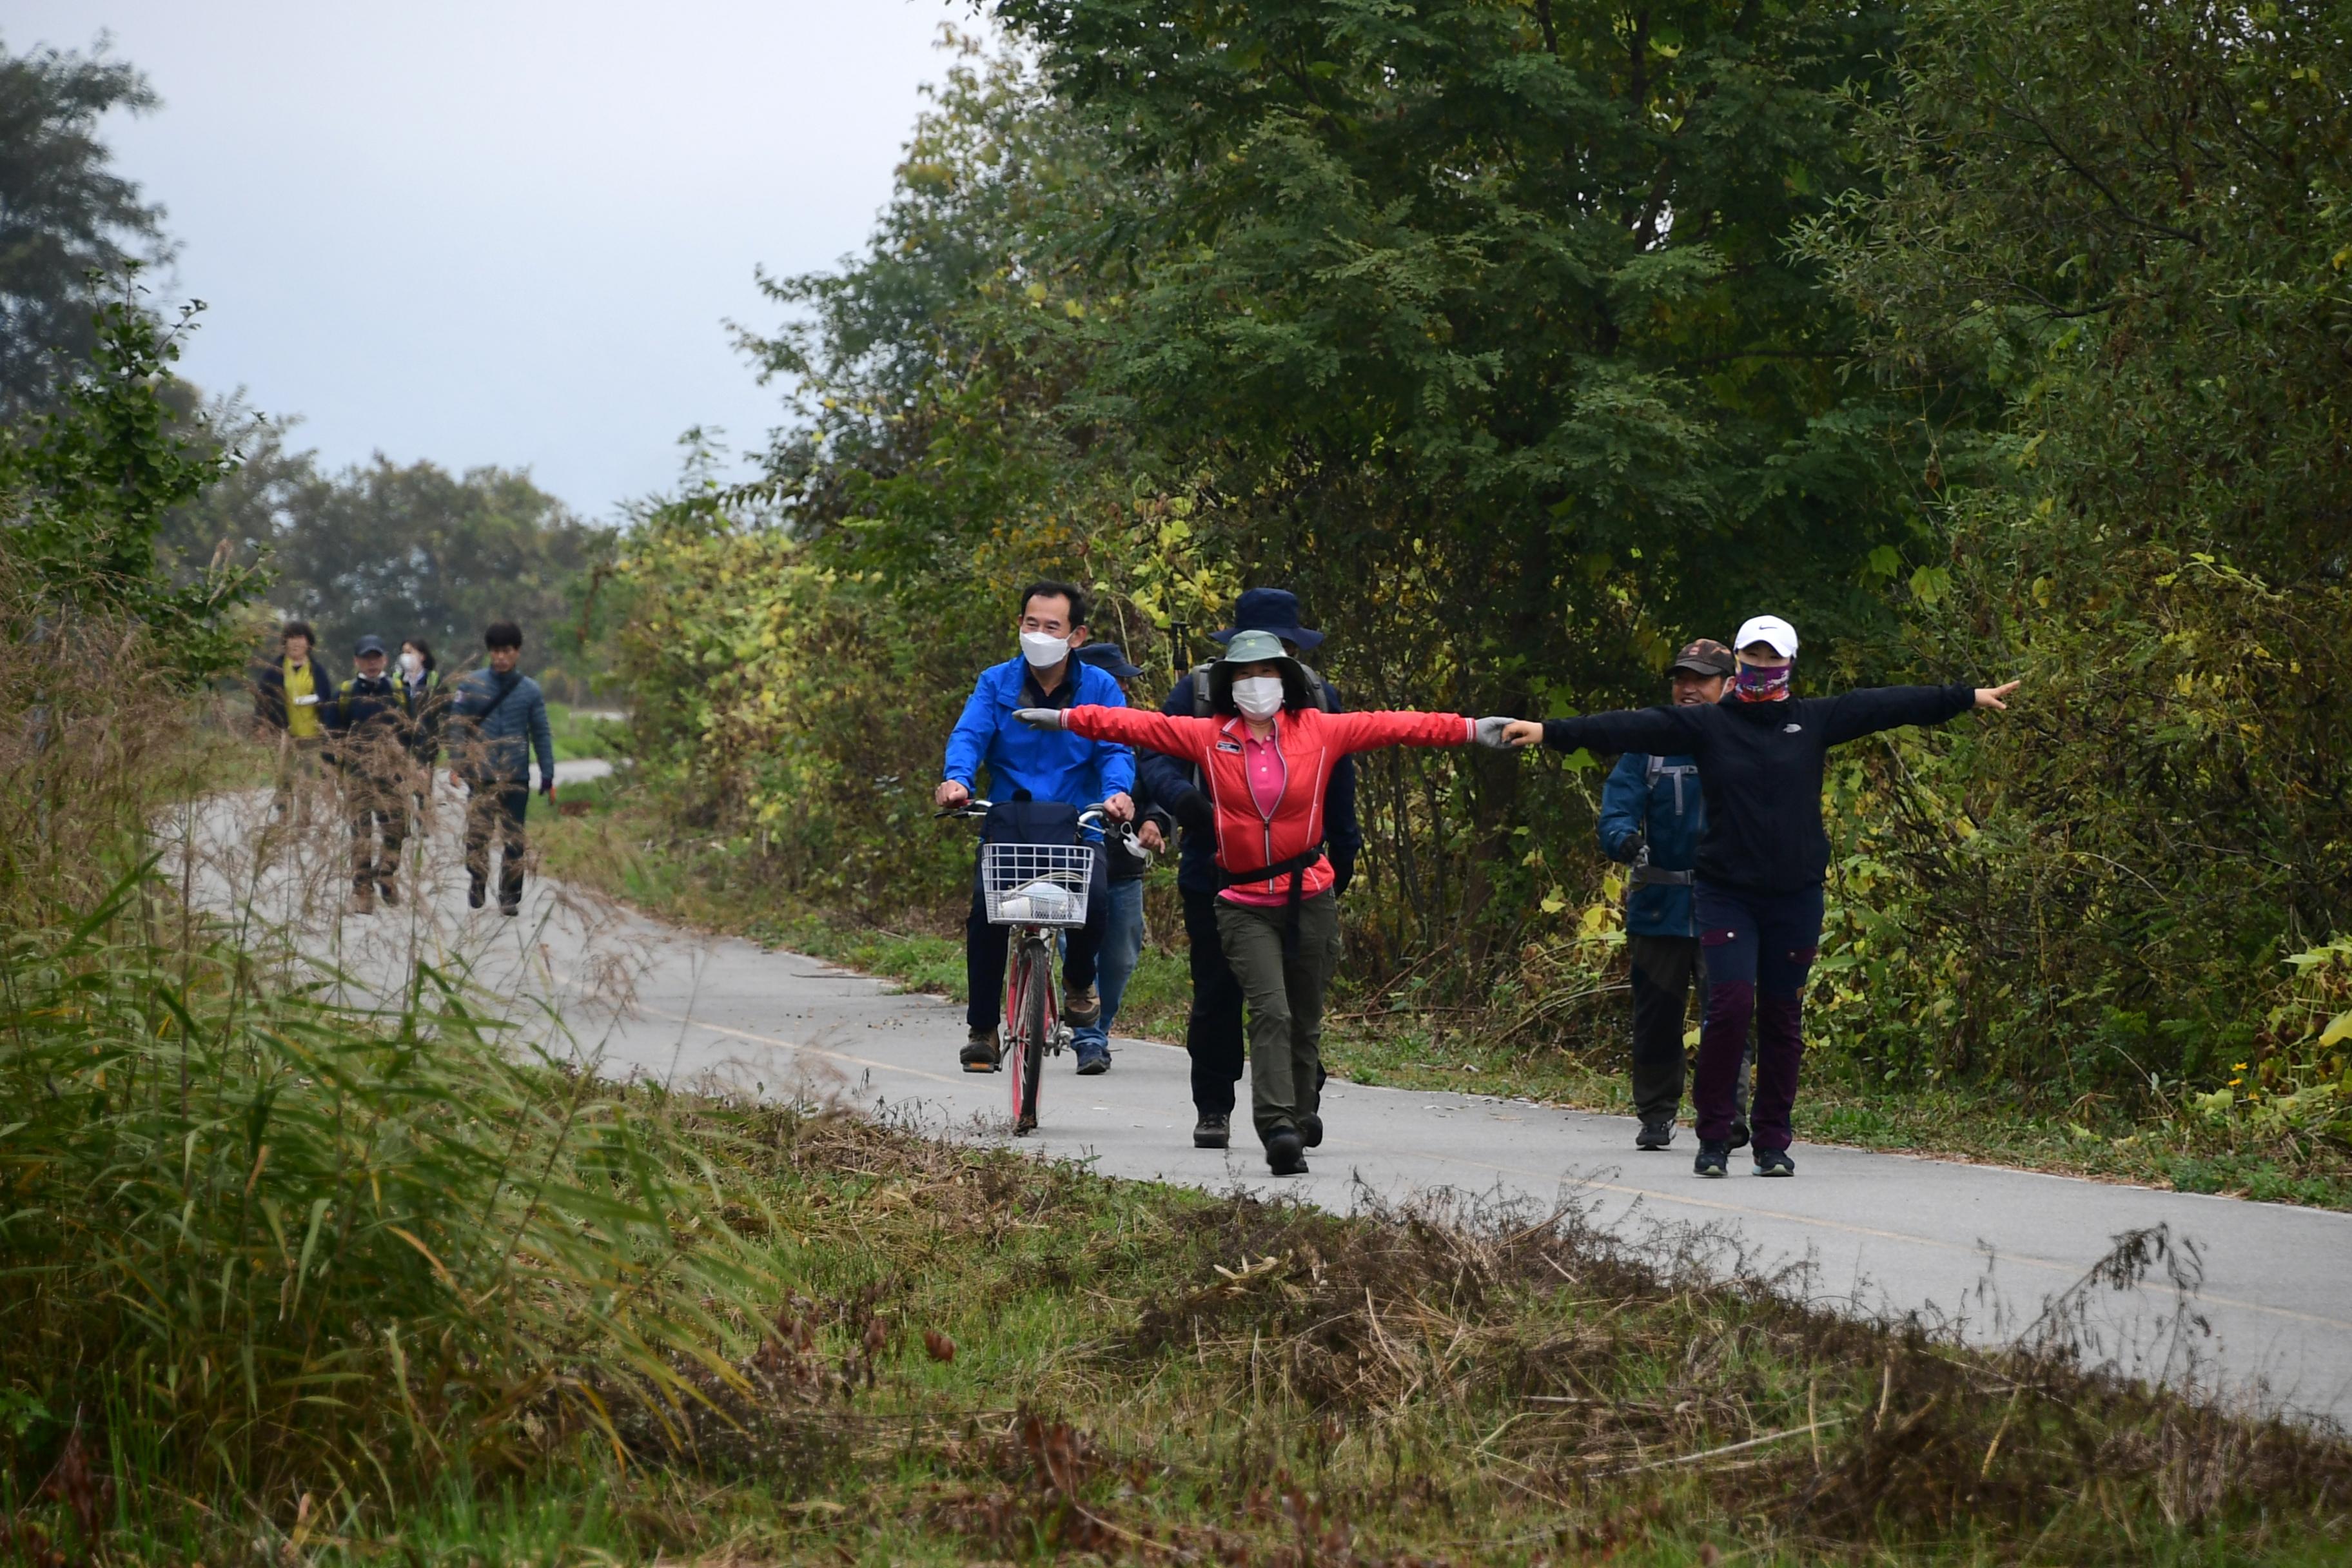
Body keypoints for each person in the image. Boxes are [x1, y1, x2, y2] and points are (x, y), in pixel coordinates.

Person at [1504, 615, 2019, 1179]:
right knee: (1728, 1010)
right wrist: (1549, 731)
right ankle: (1714, 1139)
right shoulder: (1708, 726)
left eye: (1771, 658)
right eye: (1751, 656)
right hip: (1726, 893)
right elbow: (1626, 727)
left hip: (1795, 895)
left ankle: (1773, 1142)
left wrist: (1966, 696)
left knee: (1781, 1018)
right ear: (1739, 664)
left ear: (1789, 665)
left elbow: (1887, 704)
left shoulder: (1814, 720)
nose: (1760, 667)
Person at [1019, 630, 1518, 1175]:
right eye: (1245, 676)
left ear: (1288, 680)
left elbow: (1401, 725)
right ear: (1230, 686)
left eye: (1268, 673)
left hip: (1310, 895)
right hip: (1242, 898)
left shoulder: (1323, 732)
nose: (1257, 685)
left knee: (1304, 1019)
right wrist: (1065, 719)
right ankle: (1277, 1127)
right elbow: (1137, 725)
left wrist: (1473, 730)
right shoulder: (1211, 737)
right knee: (1271, 1011)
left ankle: (1300, 1116)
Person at [1138, 588, 1363, 1151]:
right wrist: (1180, 804)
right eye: (1254, 660)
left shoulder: (1319, 700)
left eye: (1281, 655)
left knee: (1294, 995)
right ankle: (1213, 1107)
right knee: (1217, 993)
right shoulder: (1197, 695)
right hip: (1215, 868)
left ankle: (1297, 1103)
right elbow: (1154, 755)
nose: (1265, 673)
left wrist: (1345, 846)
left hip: (1300, 873)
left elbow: (1338, 779)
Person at [935, 581, 1138, 1073]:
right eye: (1031, 623)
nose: (1039, 633)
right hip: (1011, 822)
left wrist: (1118, 792)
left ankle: (1077, 982)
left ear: (1076, 635)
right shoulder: (996, 682)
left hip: (1077, 823)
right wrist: (957, 780)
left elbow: (1116, 745)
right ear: (1019, 626)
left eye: (1052, 626)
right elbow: (970, 733)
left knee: (1094, 904)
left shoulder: (1101, 688)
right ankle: (983, 1027)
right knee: (986, 916)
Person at [1597, 638, 1750, 1151]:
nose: (1688, 689)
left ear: (1728, 685)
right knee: (1657, 1016)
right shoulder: (1649, 741)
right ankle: (1657, 1114)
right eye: (1681, 678)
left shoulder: (1747, 738)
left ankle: (1727, 1114)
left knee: (1727, 1014)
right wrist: (1624, 838)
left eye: (1700, 680)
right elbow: (1616, 807)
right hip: (1659, 907)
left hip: (1728, 904)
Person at [1067, 643, 1175, 1074]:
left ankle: (1100, 1026)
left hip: (1123, 863)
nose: (1122, 688)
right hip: (1068, 859)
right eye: (1115, 681)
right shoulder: (1063, 728)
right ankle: (1089, 1039)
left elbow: (1163, 781)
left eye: (1125, 682)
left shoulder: (1141, 731)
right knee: (1077, 947)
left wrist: (1157, 822)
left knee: (1121, 956)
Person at [446, 621, 557, 916]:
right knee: (477, 837)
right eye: (495, 652)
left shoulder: (530, 690)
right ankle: (478, 879)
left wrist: (548, 773)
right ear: (489, 653)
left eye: (506, 651)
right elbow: (457, 726)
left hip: (516, 776)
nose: (501, 658)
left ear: (517, 652)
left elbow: (541, 732)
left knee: (514, 840)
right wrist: (457, 762)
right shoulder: (471, 685)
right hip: (481, 775)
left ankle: (510, 895)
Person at [324, 634, 413, 914]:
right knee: (361, 835)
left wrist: (415, 765)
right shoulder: (345, 695)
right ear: (356, 661)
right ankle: (362, 889)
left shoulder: (399, 692)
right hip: (358, 775)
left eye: (376, 658)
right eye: (366, 658)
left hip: (392, 775)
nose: (371, 663)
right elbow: (332, 735)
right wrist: (329, 769)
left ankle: (387, 876)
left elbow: (413, 732)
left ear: (385, 659)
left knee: (395, 830)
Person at [251, 621, 333, 825]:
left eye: (300, 638)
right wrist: (261, 724)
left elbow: (327, 699)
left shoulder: (317, 670)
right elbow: (263, 698)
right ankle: (283, 813)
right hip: (285, 731)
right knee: (284, 776)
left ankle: (305, 816)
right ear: (285, 642)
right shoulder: (275, 669)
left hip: (311, 732)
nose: (296, 643)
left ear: (309, 643)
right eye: (291, 638)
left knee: (307, 776)